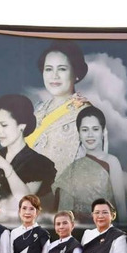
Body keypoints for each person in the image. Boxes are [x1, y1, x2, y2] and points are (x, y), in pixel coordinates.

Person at [25, 41, 91, 176]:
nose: (54, 76)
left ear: (76, 73)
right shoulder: (38, 109)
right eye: (48, 69)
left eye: (62, 69)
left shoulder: (87, 115)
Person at [0, 94, 57, 208]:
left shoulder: (40, 163)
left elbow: (25, 200)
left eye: (4, 125)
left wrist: (6, 166)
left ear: (22, 126)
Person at [55, 106, 126, 224]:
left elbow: (120, 204)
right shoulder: (72, 168)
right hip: (76, 228)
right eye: (85, 130)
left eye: (95, 129)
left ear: (103, 132)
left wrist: (125, 230)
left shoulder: (111, 162)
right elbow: (63, 210)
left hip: (103, 227)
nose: (90, 135)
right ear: (79, 133)